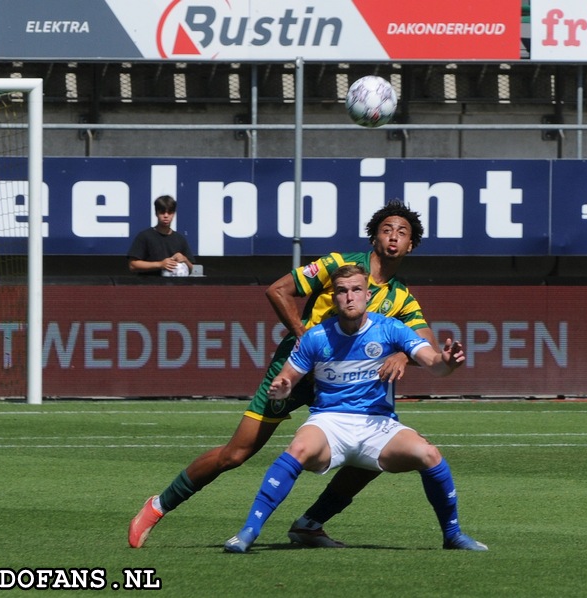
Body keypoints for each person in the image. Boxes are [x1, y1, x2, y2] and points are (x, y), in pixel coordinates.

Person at [129, 201, 437, 549]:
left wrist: (400, 353)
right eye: (386, 229)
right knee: (236, 454)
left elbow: (427, 345)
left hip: (339, 388)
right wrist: (307, 340)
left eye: (402, 232)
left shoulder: (401, 295)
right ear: (373, 237)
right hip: (295, 373)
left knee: (374, 451)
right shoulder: (339, 266)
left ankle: (310, 524)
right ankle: (158, 506)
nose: (393, 237)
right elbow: (277, 290)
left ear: (411, 245)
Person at [224, 264, 487, 553]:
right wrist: (282, 390)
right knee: (297, 450)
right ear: (334, 297)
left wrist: (447, 362)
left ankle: (453, 535)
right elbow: (285, 378)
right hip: (329, 422)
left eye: (356, 290)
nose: (350, 297)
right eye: (342, 291)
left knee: (429, 454)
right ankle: (248, 531)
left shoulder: (390, 328)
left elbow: (434, 364)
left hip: (378, 425)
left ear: (367, 294)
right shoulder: (315, 336)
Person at [127, 195, 194, 276]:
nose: (166, 216)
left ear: (173, 214)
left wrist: (185, 260)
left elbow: (193, 269)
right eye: (162, 212)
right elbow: (132, 265)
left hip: (176, 287)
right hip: (150, 286)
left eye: (169, 212)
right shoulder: (145, 236)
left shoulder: (180, 239)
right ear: (156, 213)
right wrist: (160, 264)